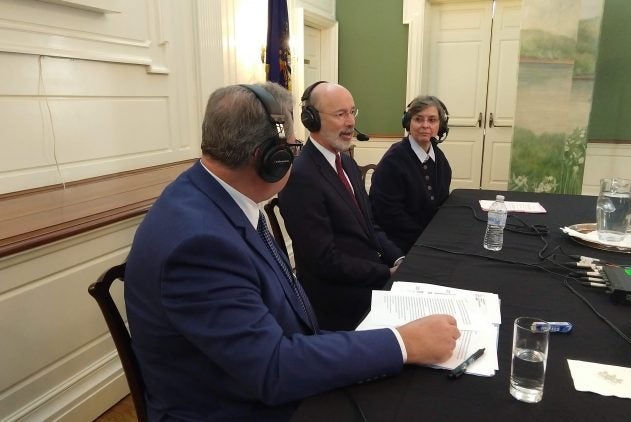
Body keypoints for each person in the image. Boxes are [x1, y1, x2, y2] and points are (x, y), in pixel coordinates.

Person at [124, 82, 461, 421]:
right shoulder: (199, 245)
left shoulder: (218, 196)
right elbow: (273, 369)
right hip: (236, 407)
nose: (294, 152)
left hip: (268, 371)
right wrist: (403, 343)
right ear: (271, 157)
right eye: (291, 145)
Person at [278, 81, 405, 331]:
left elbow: (371, 226)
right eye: (340, 114)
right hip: (339, 300)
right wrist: (385, 273)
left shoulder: (346, 163)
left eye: (352, 112)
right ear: (311, 120)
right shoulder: (301, 177)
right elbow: (324, 260)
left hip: (367, 278)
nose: (350, 122)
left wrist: (400, 258)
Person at [369, 95, 452, 253]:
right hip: (400, 242)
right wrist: (426, 238)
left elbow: (442, 201)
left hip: (429, 238)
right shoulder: (393, 160)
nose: (425, 125)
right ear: (408, 123)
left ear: (441, 126)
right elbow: (389, 214)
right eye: (418, 119)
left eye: (432, 120)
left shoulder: (440, 159)